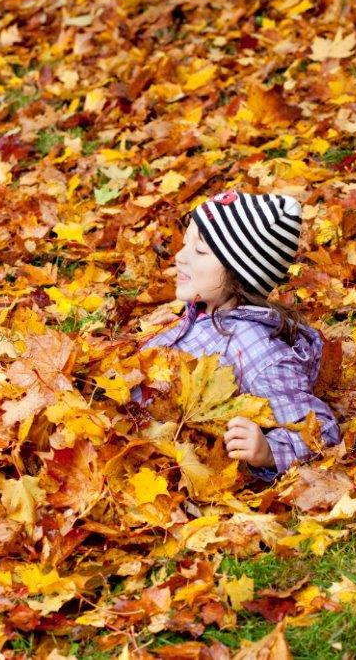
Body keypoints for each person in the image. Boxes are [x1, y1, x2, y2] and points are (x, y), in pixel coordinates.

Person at [131, 189, 341, 482]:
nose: (179, 256)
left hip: (155, 460)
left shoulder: (258, 351)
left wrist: (268, 452)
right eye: (187, 243)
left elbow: (322, 430)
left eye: (200, 251)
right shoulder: (204, 306)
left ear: (239, 273)